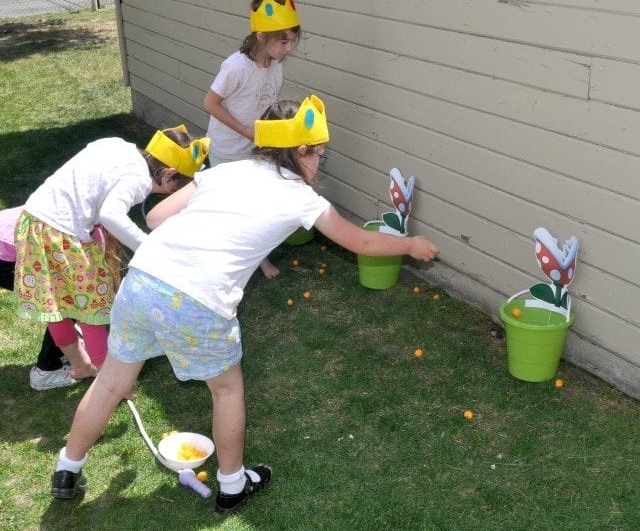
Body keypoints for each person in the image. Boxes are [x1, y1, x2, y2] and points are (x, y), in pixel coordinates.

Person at [49, 95, 439, 514]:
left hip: (142, 280)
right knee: (226, 388)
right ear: (301, 151)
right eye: (320, 155)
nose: (320, 163)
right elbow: (360, 240)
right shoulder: (302, 199)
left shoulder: (224, 172)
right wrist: (410, 244)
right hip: (197, 299)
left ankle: (68, 468)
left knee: (110, 382)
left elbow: (157, 218)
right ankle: (232, 485)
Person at [14, 125, 209, 380]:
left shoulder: (118, 144)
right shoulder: (138, 180)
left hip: (34, 223)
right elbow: (110, 214)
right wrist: (149, 247)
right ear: (170, 173)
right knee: (93, 307)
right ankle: (110, 380)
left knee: (57, 303)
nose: (168, 195)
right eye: (174, 188)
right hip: (63, 236)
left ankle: (81, 365)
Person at [203, 0, 301, 279]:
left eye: (292, 40)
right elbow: (210, 103)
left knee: (255, 206)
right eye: (283, 40)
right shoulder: (236, 67)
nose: (288, 48)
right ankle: (223, 261)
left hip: (255, 149)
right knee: (230, 209)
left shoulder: (276, 67)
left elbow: (266, 106)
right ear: (261, 35)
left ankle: (259, 259)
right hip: (227, 149)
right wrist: (246, 131)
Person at [0, 205, 76, 390]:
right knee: (69, 299)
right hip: (6, 254)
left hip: (10, 239)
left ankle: (66, 350)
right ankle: (47, 371)